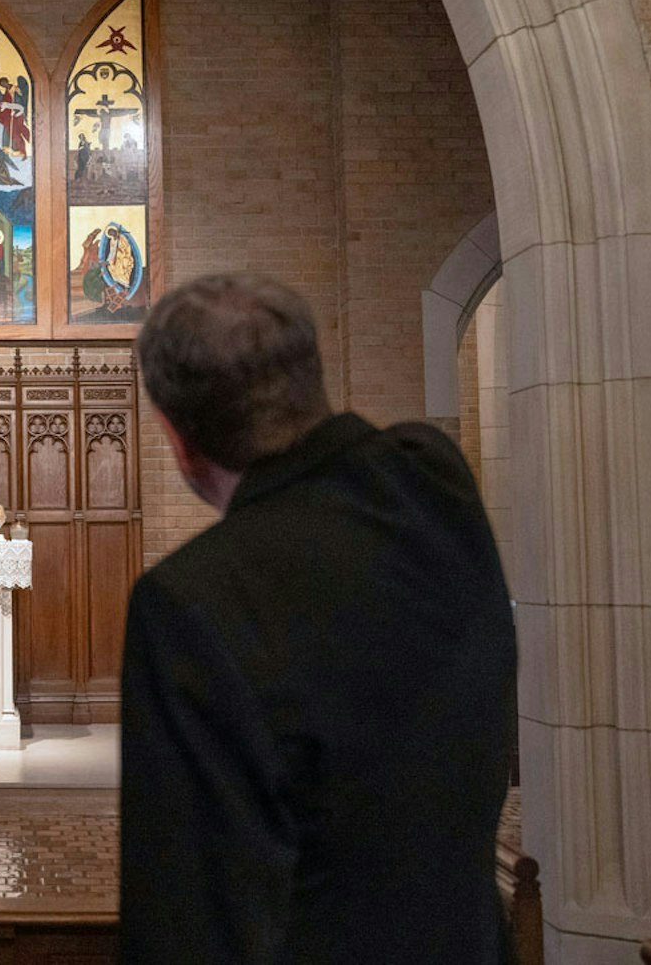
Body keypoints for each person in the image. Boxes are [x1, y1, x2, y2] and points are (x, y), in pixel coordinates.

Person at [121, 272, 516, 964]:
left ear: (177, 439)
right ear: (310, 378)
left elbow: (186, 917)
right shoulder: (437, 480)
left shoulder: (190, 600)